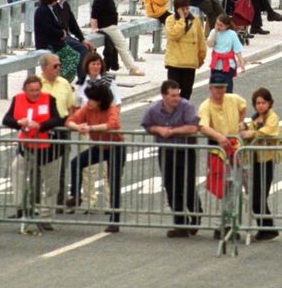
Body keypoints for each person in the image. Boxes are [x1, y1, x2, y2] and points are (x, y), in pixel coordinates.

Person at [141, 79, 203, 237]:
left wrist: (173, 131)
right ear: (164, 96)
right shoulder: (154, 109)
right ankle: (180, 223)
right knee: (170, 186)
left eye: (178, 95)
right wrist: (159, 129)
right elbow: (147, 125)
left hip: (185, 150)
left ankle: (196, 213)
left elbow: (193, 127)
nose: (176, 98)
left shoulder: (186, 106)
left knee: (187, 185)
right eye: (172, 95)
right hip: (166, 151)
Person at [3, 75, 62, 232]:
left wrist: (41, 125)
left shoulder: (49, 99)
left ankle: (46, 216)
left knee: (51, 184)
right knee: (17, 170)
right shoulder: (18, 99)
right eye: (32, 91)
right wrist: (18, 123)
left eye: (37, 90)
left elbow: (57, 120)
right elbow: (6, 119)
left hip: (48, 149)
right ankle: (22, 207)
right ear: (25, 90)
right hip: (27, 147)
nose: (35, 93)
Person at [66, 82, 126, 233]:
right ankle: (75, 194)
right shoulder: (88, 108)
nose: (88, 101)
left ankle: (115, 219)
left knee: (114, 181)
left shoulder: (111, 108)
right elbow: (70, 121)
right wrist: (78, 127)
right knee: (76, 162)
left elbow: (113, 124)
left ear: (100, 100)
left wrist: (90, 128)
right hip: (99, 146)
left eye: (91, 99)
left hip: (115, 146)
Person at [196, 73, 247, 239]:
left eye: (222, 88)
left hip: (235, 148)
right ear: (210, 88)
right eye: (217, 88)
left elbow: (243, 106)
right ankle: (222, 224)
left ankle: (228, 224)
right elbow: (203, 126)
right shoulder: (206, 106)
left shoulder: (233, 99)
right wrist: (219, 136)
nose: (220, 91)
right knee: (224, 188)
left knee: (236, 188)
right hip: (218, 151)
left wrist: (240, 123)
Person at [239, 86, 282, 241]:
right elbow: (249, 134)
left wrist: (252, 133)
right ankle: (266, 228)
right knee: (255, 197)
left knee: (259, 196)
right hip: (254, 161)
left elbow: (270, 131)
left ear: (269, 103)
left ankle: (268, 228)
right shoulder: (254, 119)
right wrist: (244, 129)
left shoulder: (272, 117)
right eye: (258, 103)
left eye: (263, 102)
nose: (261, 105)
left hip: (266, 161)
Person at [90, 0, 144, 76]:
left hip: (111, 26)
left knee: (122, 45)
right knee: (122, 45)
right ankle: (132, 68)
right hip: (108, 27)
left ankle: (131, 67)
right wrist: (94, 28)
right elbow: (94, 15)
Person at [164, 0, 206, 101]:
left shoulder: (195, 20)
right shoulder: (170, 20)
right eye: (182, 9)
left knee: (186, 92)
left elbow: (201, 40)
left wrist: (201, 56)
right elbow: (173, 34)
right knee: (172, 92)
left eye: (187, 8)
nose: (186, 11)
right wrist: (181, 20)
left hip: (189, 63)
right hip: (174, 63)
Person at [206, 14, 246, 92]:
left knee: (227, 87)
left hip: (228, 64)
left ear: (227, 26)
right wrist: (215, 33)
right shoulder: (213, 32)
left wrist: (242, 63)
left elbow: (237, 50)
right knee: (215, 87)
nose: (218, 26)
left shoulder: (232, 34)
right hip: (216, 64)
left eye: (221, 25)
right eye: (217, 24)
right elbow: (209, 44)